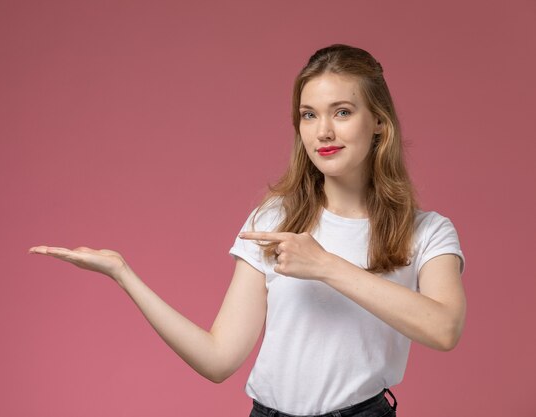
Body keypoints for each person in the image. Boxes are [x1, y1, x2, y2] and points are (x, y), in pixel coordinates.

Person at [29, 44, 466, 417]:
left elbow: (444, 328)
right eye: (309, 115)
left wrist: (327, 266)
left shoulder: (427, 232)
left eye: (343, 112)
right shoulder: (275, 219)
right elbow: (219, 359)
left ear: (379, 124)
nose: (324, 131)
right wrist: (123, 273)